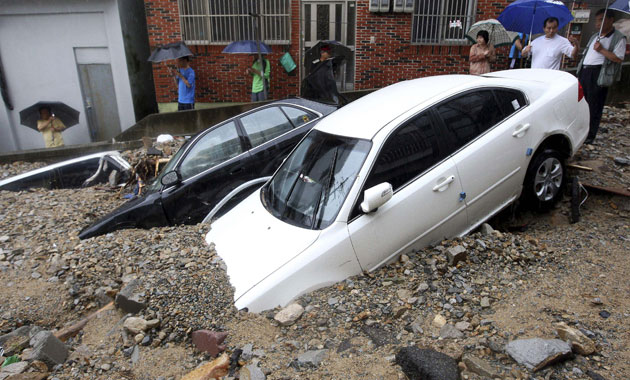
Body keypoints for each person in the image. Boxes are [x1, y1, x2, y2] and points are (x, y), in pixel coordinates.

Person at [576, 9, 626, 144]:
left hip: (598, 74)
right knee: (581, 102)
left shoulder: (617, 38)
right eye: (597, 20)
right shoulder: (595, 36)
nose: (598, 23)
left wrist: (602, 50)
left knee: (594, 105)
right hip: (585, 72)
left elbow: (618, 58)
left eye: (601, 20)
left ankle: (590, 134)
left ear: (611, 20)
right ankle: (579, 130)